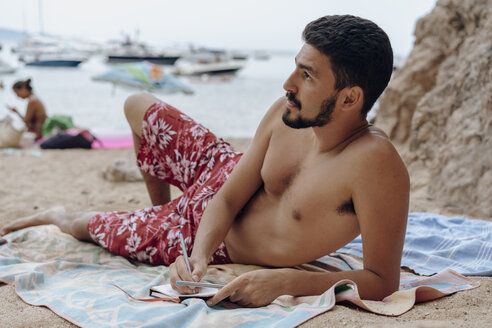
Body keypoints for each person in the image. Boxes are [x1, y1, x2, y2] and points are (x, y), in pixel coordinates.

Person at [0, 15, 409, 307]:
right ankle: (160, 209)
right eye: (294, 69)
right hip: (221, 174)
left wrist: (286, 281)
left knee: (84, 225)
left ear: (350, 98)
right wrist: (196, 256)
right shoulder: (286, 114)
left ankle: (66, 215)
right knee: (137, 105)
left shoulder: (374, 164)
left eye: (306, 75)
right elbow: (230, 197)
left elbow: (381, 279)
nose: (287, 84)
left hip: (202, 231)